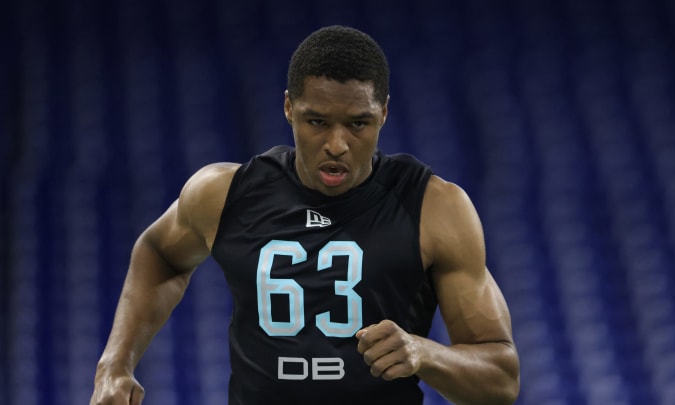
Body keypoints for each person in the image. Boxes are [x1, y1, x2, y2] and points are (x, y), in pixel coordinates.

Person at [90, 25, 520, 405]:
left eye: (358, 124)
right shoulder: (224, 195)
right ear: (288, 108)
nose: (336, 144)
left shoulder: (434, 208)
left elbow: (501, 379)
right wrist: (115, 363)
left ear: (384, 113)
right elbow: (158, 253)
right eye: (317, 121)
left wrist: (426, 354)